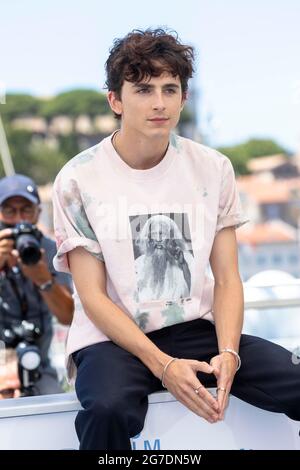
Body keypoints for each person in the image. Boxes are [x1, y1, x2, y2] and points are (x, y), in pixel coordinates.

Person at [52, 28, 300, 450]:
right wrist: (163, 366)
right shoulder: (78, 178)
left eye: (171, 89)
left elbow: (226, 278)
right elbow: (92, 297)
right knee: (107, 409)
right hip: (113, 339)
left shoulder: (213, 168)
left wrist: (228, 353)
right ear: (115, 100)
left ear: (184, 98)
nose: (159, 103)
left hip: (195, 329)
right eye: (144, 89)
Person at [0, 174, 73, 399]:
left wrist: (44, 280)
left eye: (26, 210)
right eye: (10, 211)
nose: (18, 219)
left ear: (38, 214)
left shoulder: (50, 251)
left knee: (54, 407)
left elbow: (68, 316)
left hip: (39, 364)